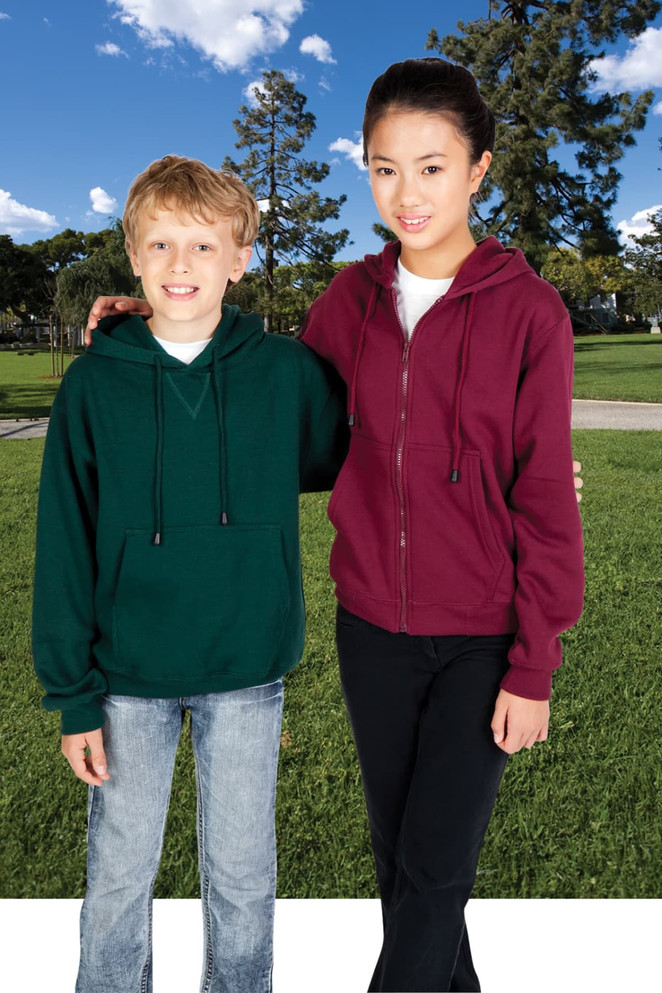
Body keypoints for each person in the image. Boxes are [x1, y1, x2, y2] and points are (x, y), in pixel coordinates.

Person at [86, 59, 585, 993]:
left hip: (484, 631)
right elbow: (265, 401)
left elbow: (548, 495)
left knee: (437, 872)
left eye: (432, 167)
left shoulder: (531, 313)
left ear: (479, 169)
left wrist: (535, 662)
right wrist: (150, 329)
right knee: (408, 873)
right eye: (385, 167)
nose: (407, 192)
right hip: (373, 632)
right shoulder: (346, 306)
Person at [32, 154, 346, 993]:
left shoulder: (285, 374)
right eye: (162, 244)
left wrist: (513, 468)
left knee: (243, 882)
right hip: (125, 678)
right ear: (132, 256)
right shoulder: (93, 387)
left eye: (204, 247)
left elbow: (368, 454)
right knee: (117, 884)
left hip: (247, 673)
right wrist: (71, 694)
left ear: (239, 258)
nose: (181, 265)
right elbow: (61, 544)